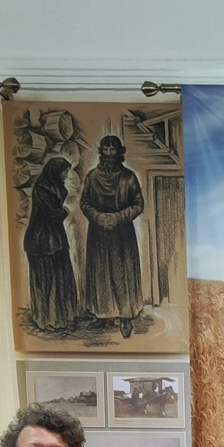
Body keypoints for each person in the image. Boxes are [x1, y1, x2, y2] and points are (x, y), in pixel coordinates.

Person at [80, 134, 145, 329]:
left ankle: (125, 317)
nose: (109, 153)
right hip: (98, 233)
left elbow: (138, 205)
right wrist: (97, 216)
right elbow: (85, 203)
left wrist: (118, 217)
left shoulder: (129, 177)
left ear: (119, 152)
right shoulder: (92, 176)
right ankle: (102, 315)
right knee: (100, 273)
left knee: (122, 274)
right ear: (101, 152)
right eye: (106, 149)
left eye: (112, 149)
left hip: (122, 234)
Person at [23, 156, 80, 333]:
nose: (66, 175)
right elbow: (54, 214)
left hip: (55, 239)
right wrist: (66, 209)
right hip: (41, 241)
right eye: (64, 171)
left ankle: (62, 316)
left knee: (60, 277)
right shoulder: (41, 189)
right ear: (55, 171)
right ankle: (47, 319)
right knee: (45, 281)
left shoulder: (55, 187)